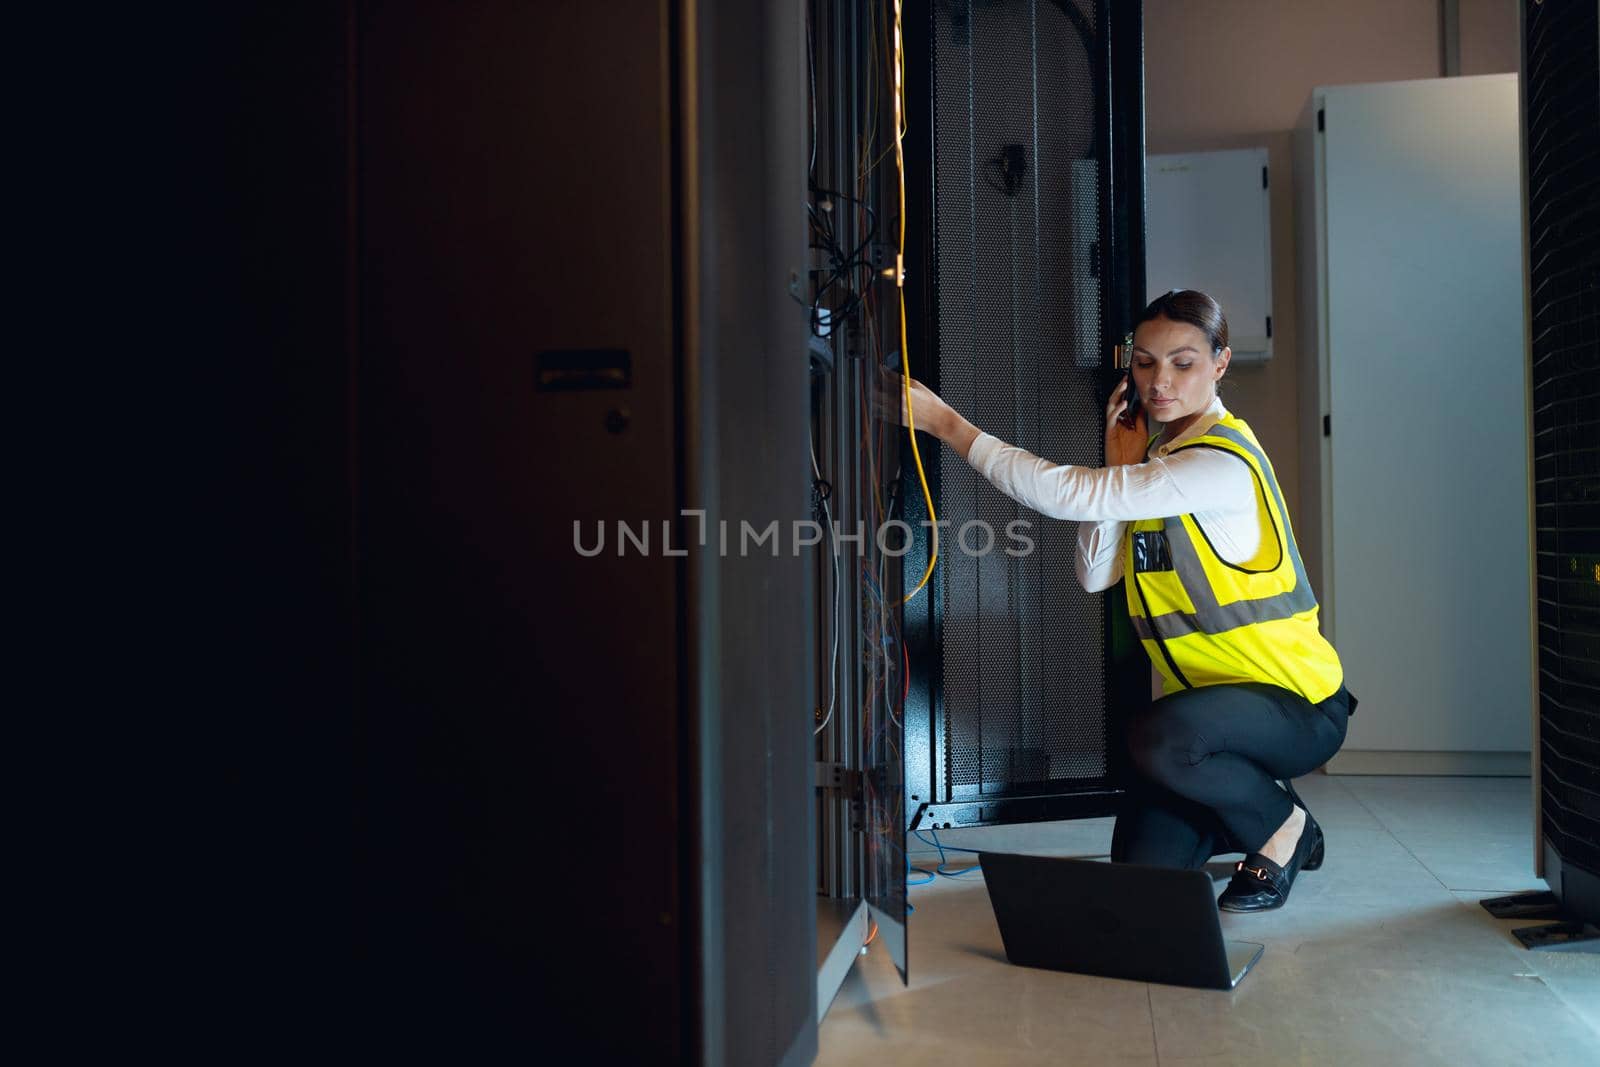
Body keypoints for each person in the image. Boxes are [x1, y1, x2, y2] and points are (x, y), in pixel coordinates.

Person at [900, 289, 1354, 912]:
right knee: (1141, 877)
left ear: (1220, 363)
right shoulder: (1156, 466)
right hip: (1208, 717)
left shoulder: (1218, 464)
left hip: (1297, 706)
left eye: (1183, 362)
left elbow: (1069, 496)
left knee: (1158, 738)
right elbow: (1093, 574)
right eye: (1144, 363)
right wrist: (1119, 463)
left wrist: (948, 425)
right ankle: (1274, 820)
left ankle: (1280, 827)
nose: (1159, 381)